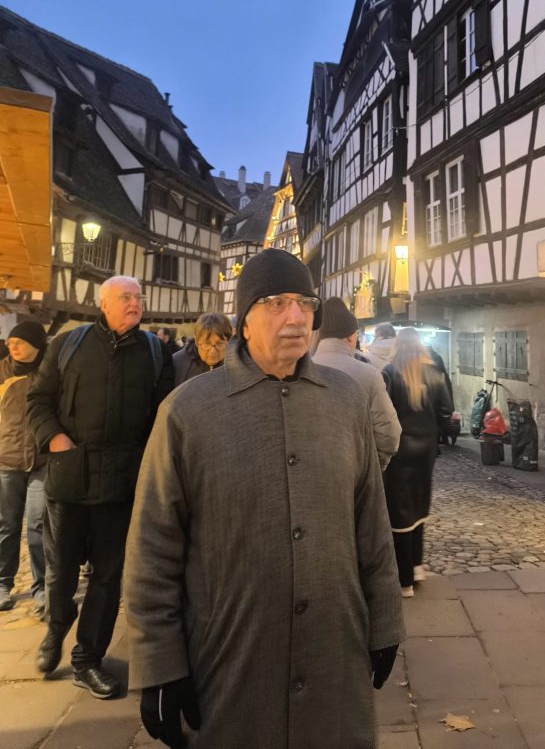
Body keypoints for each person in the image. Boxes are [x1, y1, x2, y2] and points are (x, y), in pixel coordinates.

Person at [124, 248, 405, 749]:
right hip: (231, 660)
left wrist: (385, 620)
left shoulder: (345, 401)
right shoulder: (188, 412)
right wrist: (159, 663)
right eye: (276, 303)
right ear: (244, 322)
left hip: (333, 654)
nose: (296, 317)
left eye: (305, 303)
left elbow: (371, 522)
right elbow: (152, 547)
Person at [27, 276, 174, 700]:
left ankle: (87, 659)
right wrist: (55, 438)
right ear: (103, 304)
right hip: (70, 479)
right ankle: (56, 627)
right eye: (126, 297)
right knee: (60, 571)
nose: (135, 304)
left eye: (138, 297)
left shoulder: (154, 351)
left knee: (108, 577)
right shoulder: (68, 345)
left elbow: (162, 414)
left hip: (122, 485)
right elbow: (38, 401)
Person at [382, 328, 452, 597]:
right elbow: (446, 411)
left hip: (399, 451)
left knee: (399, 511)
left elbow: (384, 414)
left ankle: (405, 580)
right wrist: (434, 433)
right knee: (419, 505)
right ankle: (417, 565)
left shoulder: (390, 372)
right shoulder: (434, 372)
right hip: (426, 451)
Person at [312, 297, 401, 470]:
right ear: (351, 337)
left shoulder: (302, 370)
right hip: (356, 469)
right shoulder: (369, 374)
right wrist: (375, 466)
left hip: (314, 471)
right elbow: (389, 433)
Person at [0, 321, 49, 616]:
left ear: (36, 345)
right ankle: (2, 583)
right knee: (7, 525)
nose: (12, 346)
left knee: (38, 524)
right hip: (7, 459)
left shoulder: (49, 371)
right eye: (10, 342)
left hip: (42, 461)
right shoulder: (2, 371)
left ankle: (41, 587)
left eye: (19, 342)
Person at [172, 312, 232, 385]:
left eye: (219, 343)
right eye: (207, 343)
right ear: (197, 342)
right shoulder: (176, 363)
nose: (213, 351)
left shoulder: (237, 365)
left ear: (228, 342)